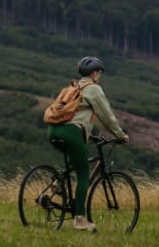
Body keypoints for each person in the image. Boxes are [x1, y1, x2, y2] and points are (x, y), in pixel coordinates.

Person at [47, 56, 130, 232]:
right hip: (71, 132)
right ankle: (79, 219)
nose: (99, 75)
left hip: (53, 130)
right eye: (98, 72)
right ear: (94, 73)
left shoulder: (73, 87)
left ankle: (56, 184)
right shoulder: (94, 89)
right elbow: (107, 117)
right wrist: (121, 135)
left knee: (76, 159)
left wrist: (88, 135)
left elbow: (76, 115)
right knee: (83, 176)